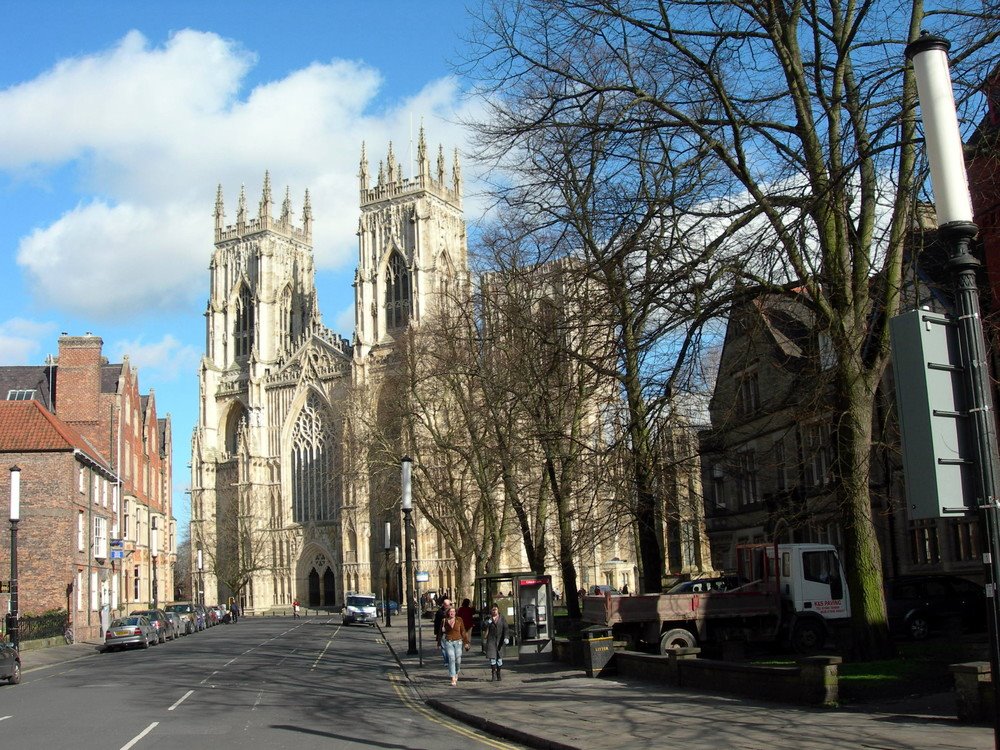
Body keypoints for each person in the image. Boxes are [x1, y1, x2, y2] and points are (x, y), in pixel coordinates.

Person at [440, 605, 470, 686]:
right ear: (448, 613)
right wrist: (438, 643)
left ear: (455, 612)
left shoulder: (459, 619)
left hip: (458, 642)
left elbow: (463, 631)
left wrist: (466, 642)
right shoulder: (444, 620)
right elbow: (440, 633)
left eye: (453, 611)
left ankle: (457, 671)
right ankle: (453, 677)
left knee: (458, 659)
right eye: (450, 611)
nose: (452, 613)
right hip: (448, 641)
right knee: (451, 658)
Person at [483, 603, 510, 682]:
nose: (494, 611)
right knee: (492, 658)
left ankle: (498, 672)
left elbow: (506, 628)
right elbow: (483, 627)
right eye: (493, 610)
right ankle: (493, 674)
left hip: (500, 641)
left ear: (498, 610)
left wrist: (506, 637)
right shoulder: (488, 618)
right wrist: (488, 622)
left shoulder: (502, 618)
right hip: (491, 641)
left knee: (499, 659)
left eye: (495, 610)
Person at [433, 596, 453, 667]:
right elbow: (436, 623)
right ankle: (446, 661)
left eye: (449, 605)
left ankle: (450, 660)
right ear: (444, 605)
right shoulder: (440, 612)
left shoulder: (453, 611)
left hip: (452, 633)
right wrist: (436, 633)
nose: (448, 606)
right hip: (443, 633)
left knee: (450, 647)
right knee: (444, 648)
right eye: (447, 605)